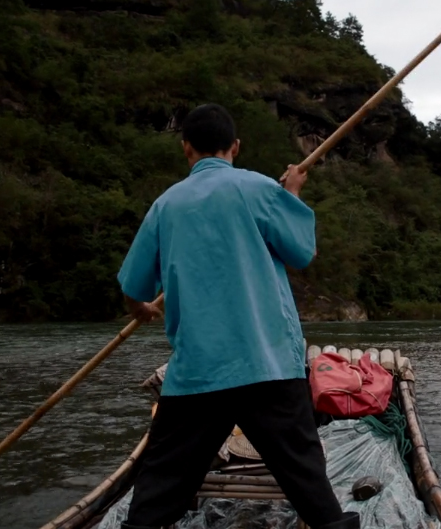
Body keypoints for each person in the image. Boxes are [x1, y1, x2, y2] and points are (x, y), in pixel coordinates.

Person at [116, 104, 357, 529]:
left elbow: (132, 288)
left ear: (186, 148)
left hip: (198, 371)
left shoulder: (166, 205)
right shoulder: (261, 189)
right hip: (268, 363)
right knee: (304, 472)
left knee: (161, 481)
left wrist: (143, 308)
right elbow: (301, 252)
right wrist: (293, 192)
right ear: (236, 147)